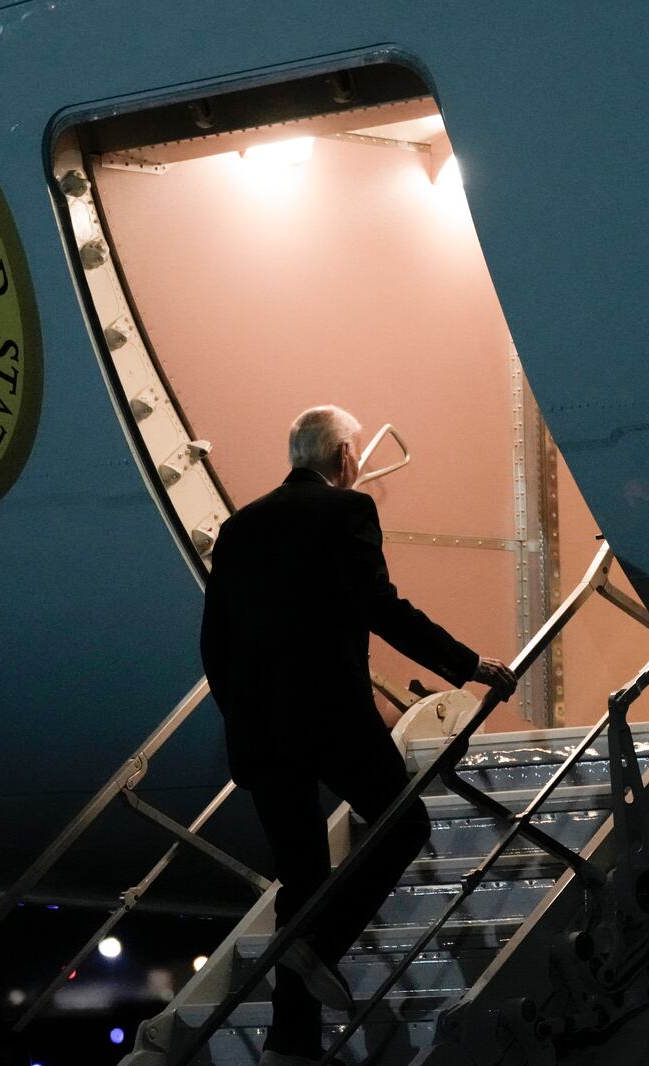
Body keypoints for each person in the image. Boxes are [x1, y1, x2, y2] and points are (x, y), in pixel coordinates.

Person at [200, 405, 516, 1066]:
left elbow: (214, 645)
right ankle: (320, 949)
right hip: (330, 715)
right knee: (404, 826)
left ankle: (292, 1045)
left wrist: (247, 716)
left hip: (259, 731)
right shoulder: (346, 511)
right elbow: (382, 608)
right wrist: (468, 666)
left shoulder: (238, 527)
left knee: (302, 879)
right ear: (345, 456)